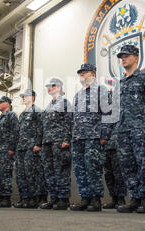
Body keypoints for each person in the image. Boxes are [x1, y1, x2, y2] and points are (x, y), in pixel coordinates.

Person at [113, 45, 145, 214]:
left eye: (127, 56)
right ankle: (135, 197)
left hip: (140, 128)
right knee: (127, 165)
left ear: (136, 57)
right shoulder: (119, 84)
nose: (123, 59)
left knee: (143, 163)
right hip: (122, 130)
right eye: (121, 56)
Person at [70, 64, 112, 212]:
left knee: (92, 167)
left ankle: (95, 199)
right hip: (78, 137)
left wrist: (104, 134)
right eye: (80, 73)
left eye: (85, 72)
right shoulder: (77, 95)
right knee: (80, 169)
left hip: (93, 136)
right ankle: (85, 198)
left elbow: (108, 114)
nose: (82, 75)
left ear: (93, 74)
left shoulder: (101, 90)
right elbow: (74, 118)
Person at [39, 78, 73, 210]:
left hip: (59, 141)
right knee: (49, 170)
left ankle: (63, 199)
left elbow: (70, 122)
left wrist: (66, 139)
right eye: (48, 86)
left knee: (61, 170)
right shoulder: (48, 106)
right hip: (47, 142)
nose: (49, 88)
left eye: (52, 86)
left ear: (58, 87)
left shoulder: (64, 103)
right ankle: (53, 198)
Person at [14, 90, 46, 209]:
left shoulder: (37, 111)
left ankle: (34, 199)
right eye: (23, 96)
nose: (23, 98)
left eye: (25, 96)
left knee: (32, 173)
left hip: (31, 147)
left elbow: (41, 128)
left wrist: (38, 144)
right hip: (21, 147)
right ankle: (25, 198)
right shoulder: (22, 114)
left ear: (32, 98)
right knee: (21, 174)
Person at [0, 96, 19, 208]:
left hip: (6, 151)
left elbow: (15, 131)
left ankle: (6, 198)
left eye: (0, 102)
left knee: (5, 173)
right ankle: (1, 196)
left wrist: (12, 148)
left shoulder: (11, 115)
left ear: (7, 103)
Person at [102, 130, 127, 209]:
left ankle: (121, 198)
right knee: (108, 174)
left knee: (118, 173)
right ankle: (114, 198)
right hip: (105, 146)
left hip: (118, 145)